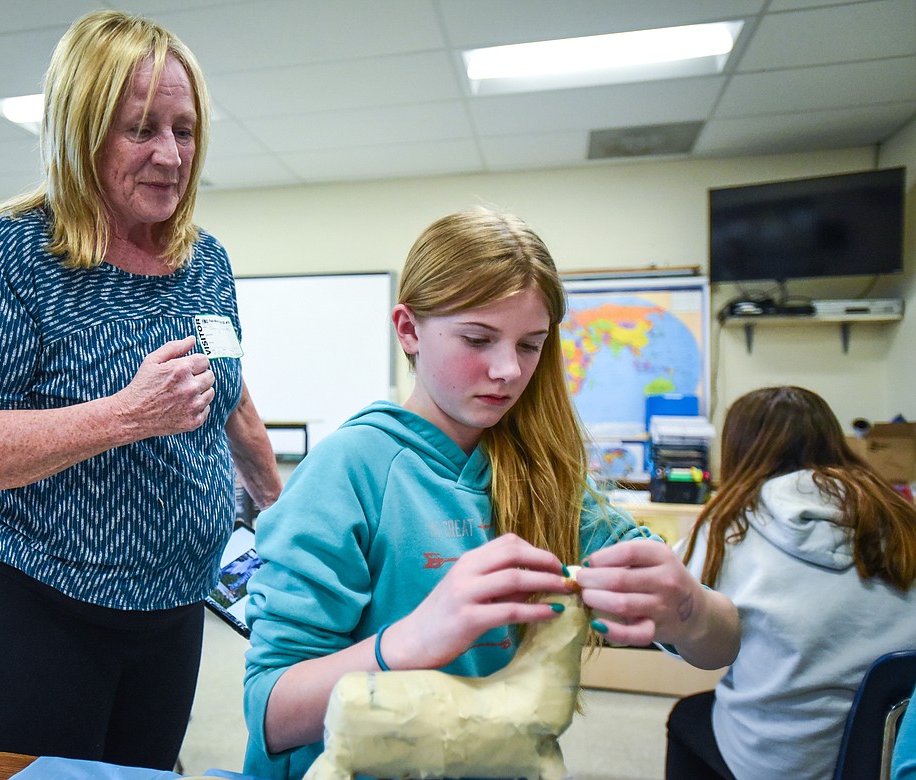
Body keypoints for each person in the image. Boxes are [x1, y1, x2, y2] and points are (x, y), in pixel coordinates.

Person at [241, 207, 741, 780]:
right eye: (478, 338)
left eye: (531, 345)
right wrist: (408, 641)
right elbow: (270, 713)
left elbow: (721, 646)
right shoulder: (348, 471)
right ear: (408, 330)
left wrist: (689, 609)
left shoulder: (546, 474)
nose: (508, 369)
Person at [0, 9, 282, 769]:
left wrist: (279, 510)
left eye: (184, 129)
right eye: (140, 129)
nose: (171, 155)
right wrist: (123, 415)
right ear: (81, 131)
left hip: (178, 599)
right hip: (46, 604)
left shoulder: (205, 261)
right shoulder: (16, 258)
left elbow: (231, 393)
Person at [668, 386, 916, 780]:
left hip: (780, 761)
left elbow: (679, 617)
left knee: (688, 716)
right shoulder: (897, 513)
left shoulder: (729, 525)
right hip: (892, 753)